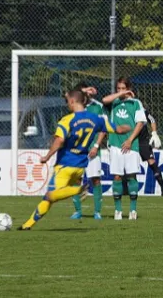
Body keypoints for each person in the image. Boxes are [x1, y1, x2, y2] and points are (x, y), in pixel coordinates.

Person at [18, 90, 130, 230]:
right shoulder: (96, 119)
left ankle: (77, 190)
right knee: (50, 198)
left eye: (67, 102)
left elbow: (59, 140)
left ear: (72, 101)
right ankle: (27, 225)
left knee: (50, 196)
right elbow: (119, 129)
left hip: (65, 165)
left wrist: (47, 156)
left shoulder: (67, 120)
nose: (67, 105)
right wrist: (130, 126)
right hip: (80, 166)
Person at [102, 77, 147, 221]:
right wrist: (120, 94)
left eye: (123, 88)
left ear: (129, 88)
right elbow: (104, 100)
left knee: (132, 176)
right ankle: (118, 211)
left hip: (131, 145)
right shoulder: (114, 102)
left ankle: (133, 210)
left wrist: (129, 140)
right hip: (115, 144)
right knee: (116, 176)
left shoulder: (135, 103)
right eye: (118, 88)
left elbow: (139, 123)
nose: (120, 91)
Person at [70, 82, 108, 220]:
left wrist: (96, 146)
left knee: (95, 180)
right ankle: (77, 211)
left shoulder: (97, 107)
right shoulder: (75, 106)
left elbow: (103, 129)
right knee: (76, 179)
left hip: (92, 150)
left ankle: (97, 212)